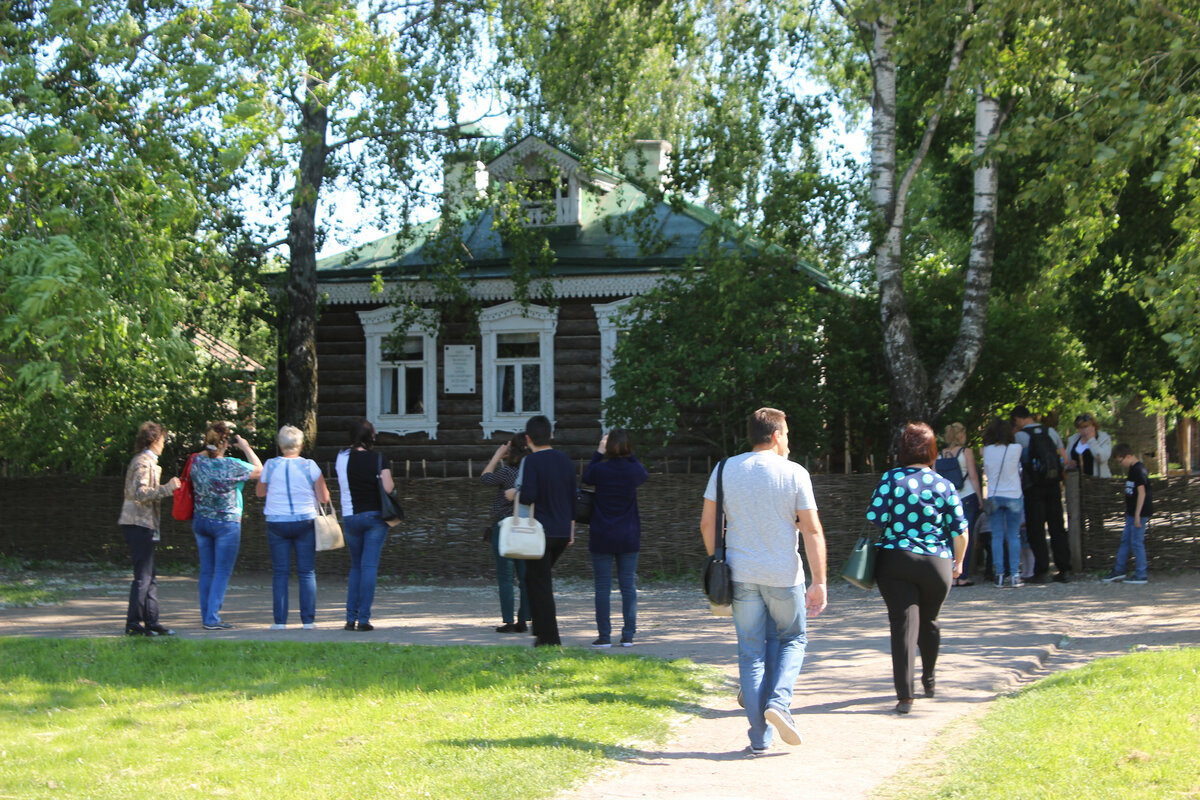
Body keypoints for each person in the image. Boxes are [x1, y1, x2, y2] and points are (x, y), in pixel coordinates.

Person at [700, 408, 827, 755]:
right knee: (793, 638)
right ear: (775, 435)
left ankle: (758, 738)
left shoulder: (725, 469)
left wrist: (718, 560)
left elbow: (708, 524)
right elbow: (812, 530)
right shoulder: (794, 473)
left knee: (752, 653)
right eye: (785, 434)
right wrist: (820, 581)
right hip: (784, 576)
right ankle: (781, 702)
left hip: (740, 575)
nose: (787, 441)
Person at [866, 422, 968, 715]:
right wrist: (958, 562)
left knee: (903, 625)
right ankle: (930, 678)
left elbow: (875, 516)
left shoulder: (890, 479)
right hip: (936, 562)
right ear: (932, 450)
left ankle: (904, 696)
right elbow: (960, 531)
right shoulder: (943, 484)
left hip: (895, 559)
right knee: (930, 621)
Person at [506, 415, 576, 647]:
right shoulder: (565, 460)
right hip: (562, 530)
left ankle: (549, 640)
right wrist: (571, 530)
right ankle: (540, 629)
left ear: (528, 439)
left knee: (540, 583)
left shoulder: (532, 462)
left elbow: (528, 496)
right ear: (551, 435)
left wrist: (512, 495)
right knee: (533, 578)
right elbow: (573, 498)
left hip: (539, 533)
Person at [256, 425, 330, 630]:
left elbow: (260, 493)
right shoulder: (310, 466)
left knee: (280, 572)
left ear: (280, 445)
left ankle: (280, 621)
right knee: (306, 571)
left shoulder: (270, 466)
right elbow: (324, 497)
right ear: (301, 445)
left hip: (276, 521)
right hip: (304, 520)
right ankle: (308, 620)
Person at [190, 421, 262, 630]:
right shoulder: (231, 465)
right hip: (226, 523)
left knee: (206, 571)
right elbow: (260, 470)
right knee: (222, 571)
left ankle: (207, 615)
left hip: (201, 520)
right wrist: (246, 447)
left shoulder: (196, 461)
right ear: (226, 442)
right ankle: (212, 619)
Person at [582, 428, 649, 648]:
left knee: (602, 587)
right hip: (628, 535)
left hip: (602, 534)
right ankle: (628, 635)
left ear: (607, 446)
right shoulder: (633, 471)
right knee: (627, 586)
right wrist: (627, 453)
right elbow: (643, 474)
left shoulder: (600, 469)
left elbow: (586, 477)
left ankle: (604, 636)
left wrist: (598, 452)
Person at [117, 421, 182, 636]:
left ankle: (151, 622)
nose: (163, 444)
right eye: (162, 440)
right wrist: (168, 488)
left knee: (149, 576)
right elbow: (141, 494)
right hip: (137, 523)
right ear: (154, 440)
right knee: (143, 577)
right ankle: (134, 625)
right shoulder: (143, 463)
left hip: (145, 524)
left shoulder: (148, 461)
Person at [335, 418, 395, 631]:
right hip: (374, 517)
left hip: (350, 517)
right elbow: (388, 488)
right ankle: (364, 619)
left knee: (356, 567)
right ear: (371, 437)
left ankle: (350, 618)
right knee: (369, 567)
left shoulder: (341, 457)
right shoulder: (379, 458)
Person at [1011, 405, 1070, 583]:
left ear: (1018, 419)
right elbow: (1064, 458)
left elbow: (1017, 463)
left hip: (1033, 487)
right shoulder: (1051, 431)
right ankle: (1064, 568)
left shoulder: (1020, 436)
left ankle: (1041, 570)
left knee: (1036, 529)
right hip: (1053, 485)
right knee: (1057, 527)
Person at [480, 434, 531, 634]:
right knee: (525, 577)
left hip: (504, 528)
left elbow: (484, 479)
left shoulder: (507, 472)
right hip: (526, 528)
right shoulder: (532, 474)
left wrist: (496, 456)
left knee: (505, 577)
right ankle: (524, 619)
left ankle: (509, 620)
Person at [981, 418, 1025, 588]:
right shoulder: (1016, 448)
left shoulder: (986, 450)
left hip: (994, 496)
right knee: (1013, 535)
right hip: (1013, 494)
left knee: (997, 536)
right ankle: (1014, 574)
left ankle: (999, 574)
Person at [1102, 444, 1153, 585]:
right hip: (1132, 513)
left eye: (1120, 460)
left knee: (1137, 543)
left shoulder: (1139, 470)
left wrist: (1137, 515)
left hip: (1139, 513)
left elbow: (1142, 493)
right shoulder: (1132, 469)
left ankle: (1141, 574)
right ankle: (1119, 570)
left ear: (1128, 456)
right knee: (1126, 541)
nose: (1120, 463)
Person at [940, 422, 982, 586]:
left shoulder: (939, 455)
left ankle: (950, 574)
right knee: (965, 535)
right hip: (967, 496)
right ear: (960, 435)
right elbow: (973, 476)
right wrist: (979, 497)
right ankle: (962, 575)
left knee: (949, 536)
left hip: (947, 500)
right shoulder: (967, 452)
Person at [1064, 413, 1114, 478]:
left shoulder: (1104, 439)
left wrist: (1091, 440)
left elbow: (1102, 458)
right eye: (1080, 427)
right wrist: (1069, 465)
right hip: (1075, 481)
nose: (1083, 430)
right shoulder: (1073, 440)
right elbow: (1065, 461)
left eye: (1085, 427)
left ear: (1094, 426)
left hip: (1097, 482)